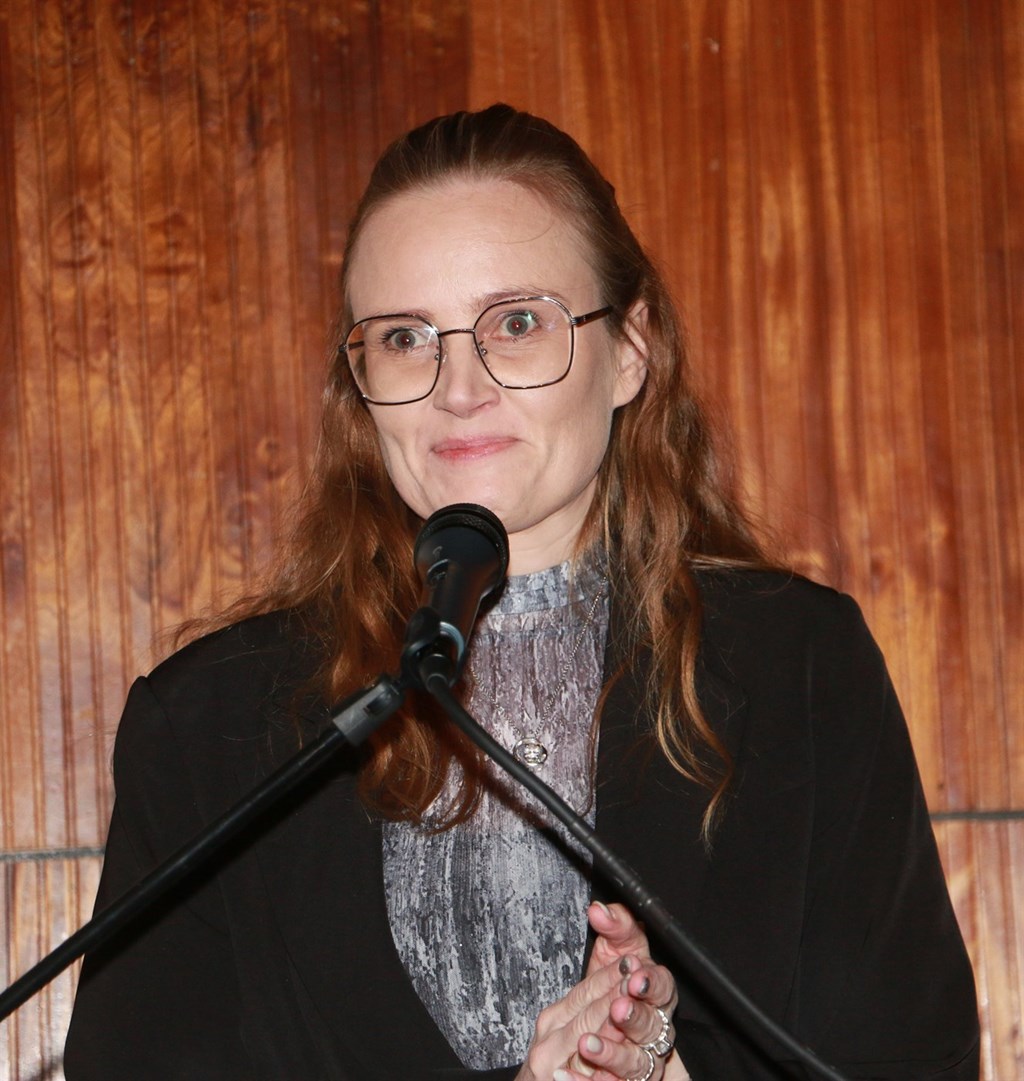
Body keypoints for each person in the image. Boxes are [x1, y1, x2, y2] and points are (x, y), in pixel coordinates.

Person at [64, 104, 979, 1080]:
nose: (459, 386)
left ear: (630, 349)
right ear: (359, 380)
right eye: (406, 336)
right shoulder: (206, 727)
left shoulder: (799, 665)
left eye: (517, 322)